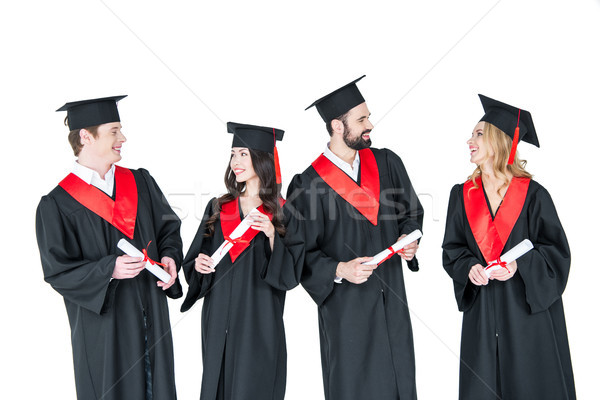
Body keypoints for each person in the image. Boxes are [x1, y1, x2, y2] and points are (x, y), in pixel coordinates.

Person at [285, 76, 424, 400]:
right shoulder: (307, 185)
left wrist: (410, 239)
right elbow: (298, 252)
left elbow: (411, 213)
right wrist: (339, 270)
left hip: (392, 301)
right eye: (362, 119)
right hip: (346, 313)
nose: (370, 125)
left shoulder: (387, 162)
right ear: (337, 125)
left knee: (400, 379)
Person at [35, 95, 182, 400]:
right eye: (114, 131)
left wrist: (169, 258)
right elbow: (58, 271)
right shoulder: (57, 204)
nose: (122, 138)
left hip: (151, 314)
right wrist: (108, 269)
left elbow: (169, 229)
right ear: (86, 137)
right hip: (104, 328)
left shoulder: (141, 181)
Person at [442, 94, 576, 399]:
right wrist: (469, 268)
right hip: (483, 313)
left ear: (498, 142)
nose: (469, 141)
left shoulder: (534, 195)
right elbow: (453, 250)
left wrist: (519, 266)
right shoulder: (461, 195)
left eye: (478, 134)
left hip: (526, 312)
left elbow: (557, 252)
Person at [180, 122, 304, 400]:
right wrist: (199, 265)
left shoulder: (283, 212)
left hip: (259, 318)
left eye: (243, 154)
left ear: (262, 160)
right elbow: (193, 261)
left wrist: (272, 234)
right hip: (217, 316)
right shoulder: (218, 207)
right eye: (233, 154)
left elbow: (293, 271)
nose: (235, 161)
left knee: (254, 385)